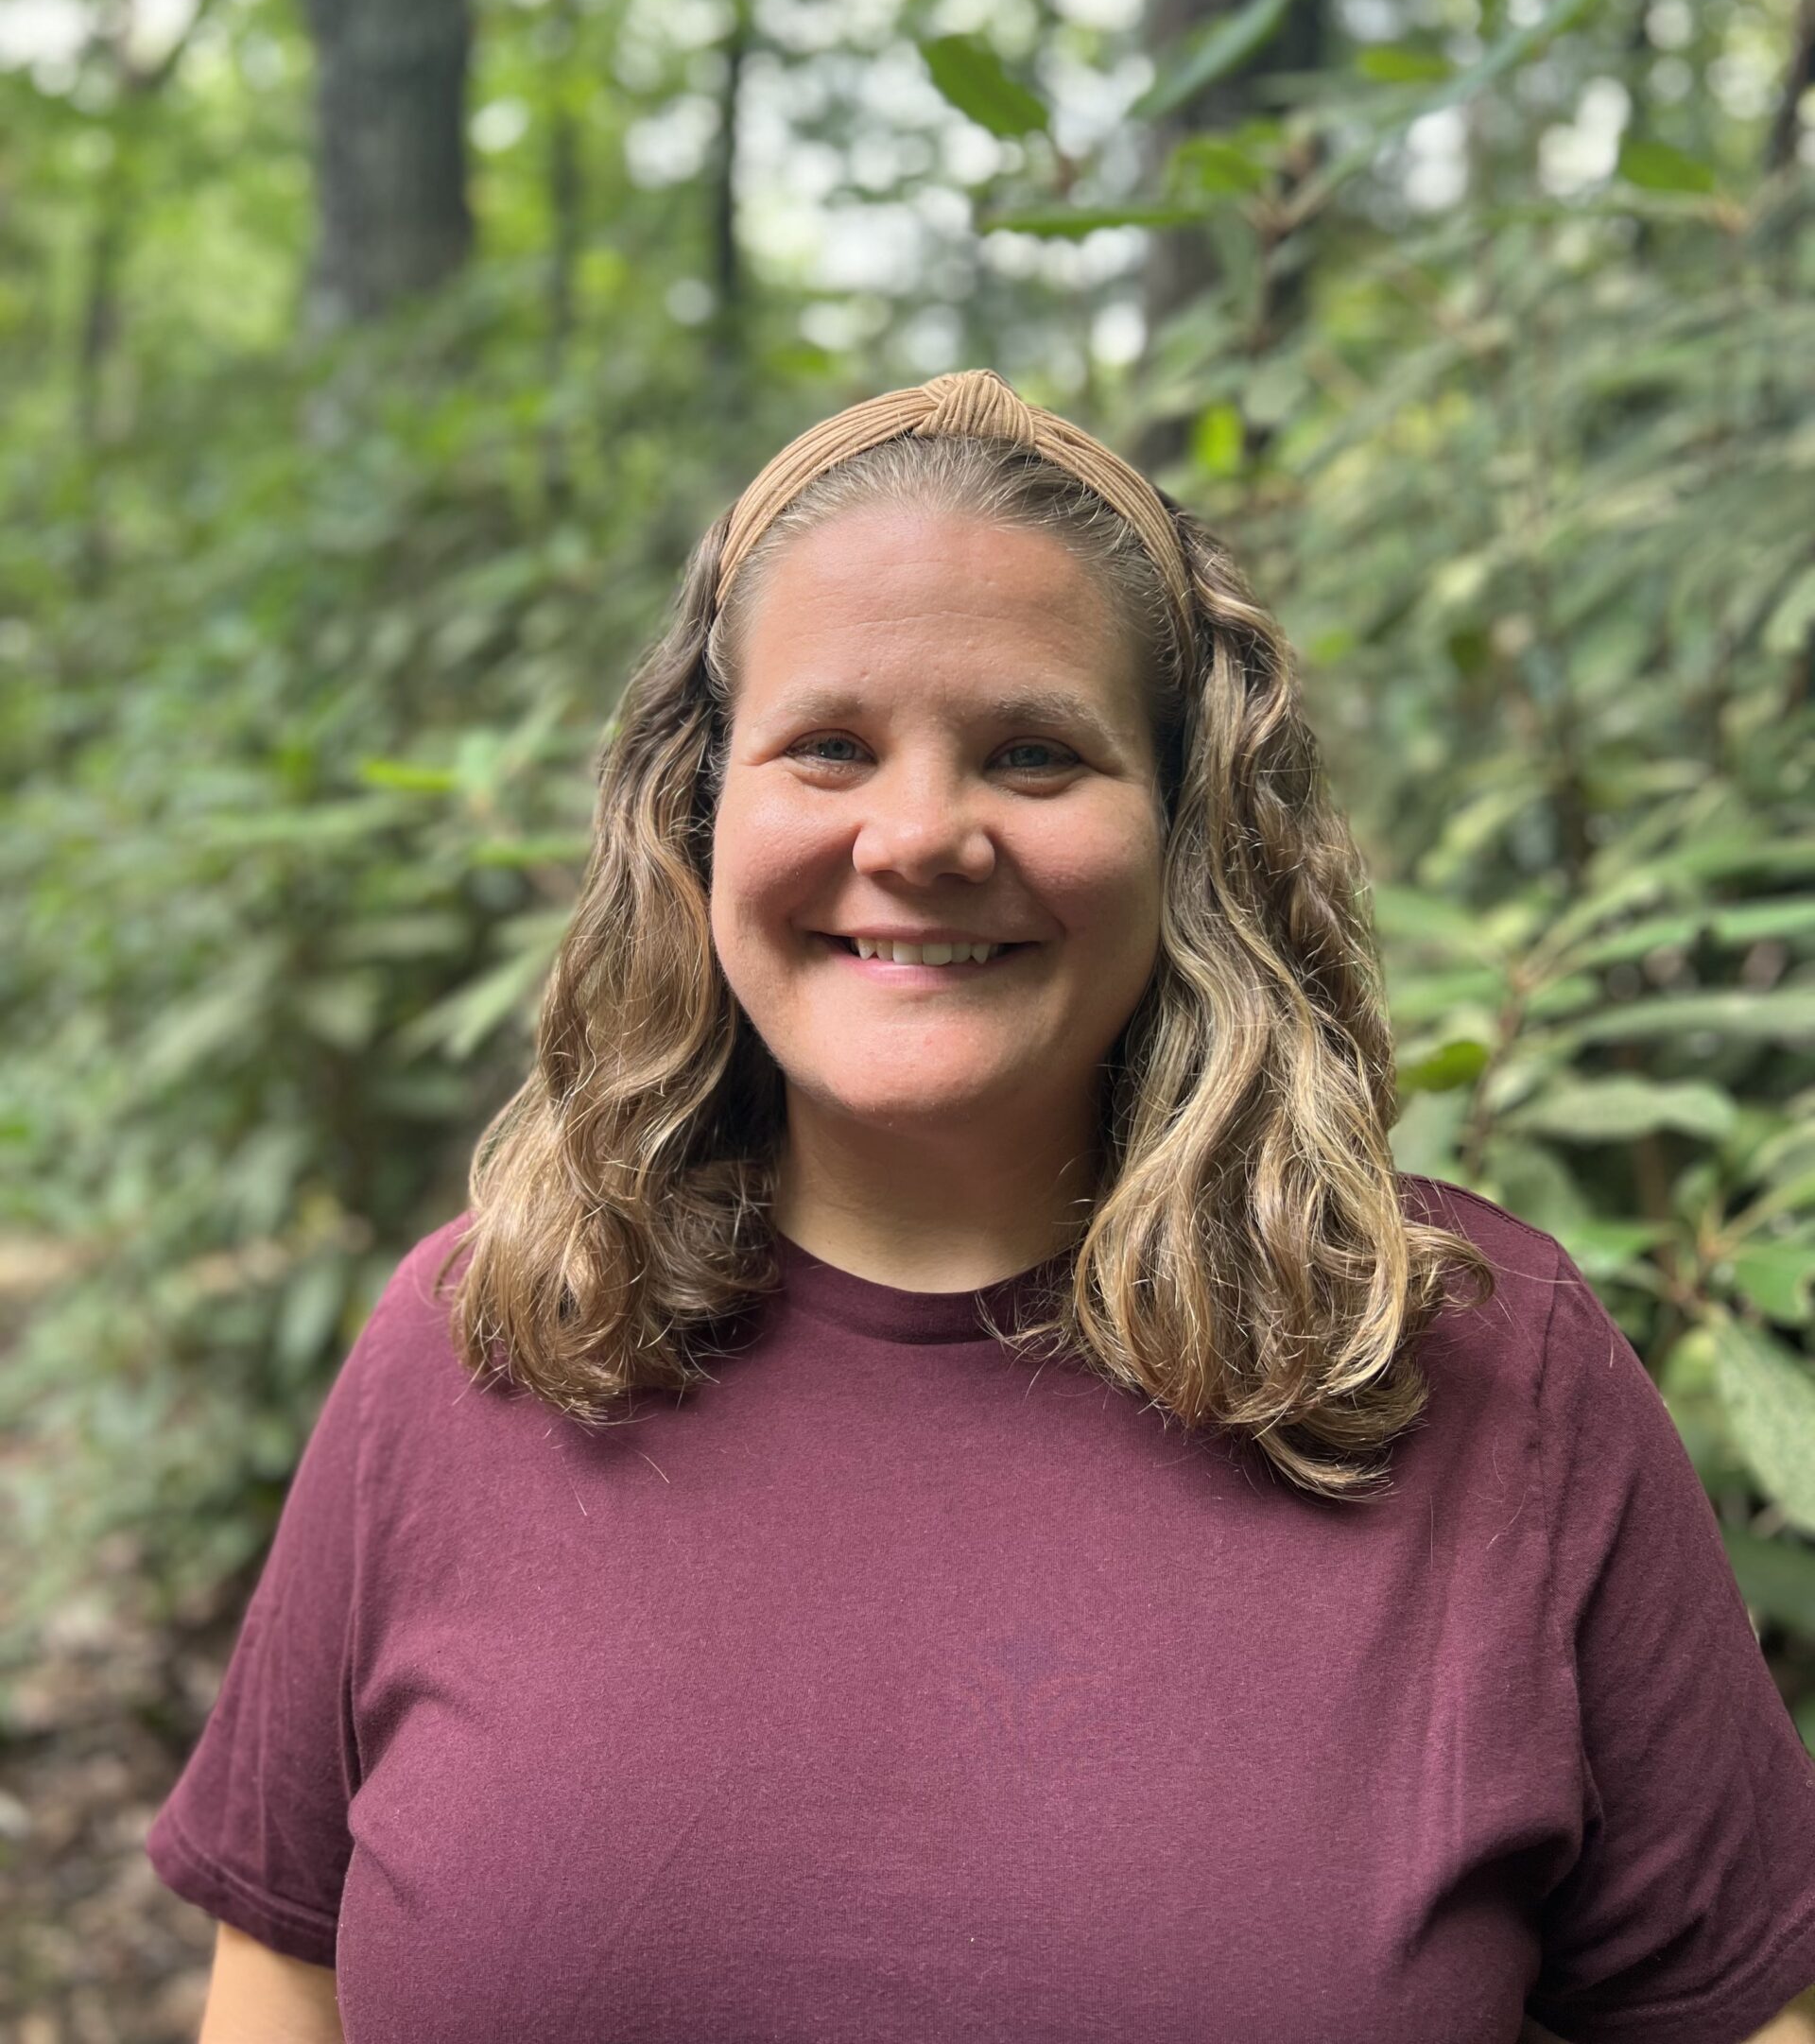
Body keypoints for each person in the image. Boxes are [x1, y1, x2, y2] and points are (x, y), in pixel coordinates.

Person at [147, 368, 1815, 2044]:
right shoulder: (479, 1341)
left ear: (1187, 830)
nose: (922, 833)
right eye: (830, 747)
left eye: (1033, 753)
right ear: (699, 808)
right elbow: (281, 1995)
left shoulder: (1484, 1371)